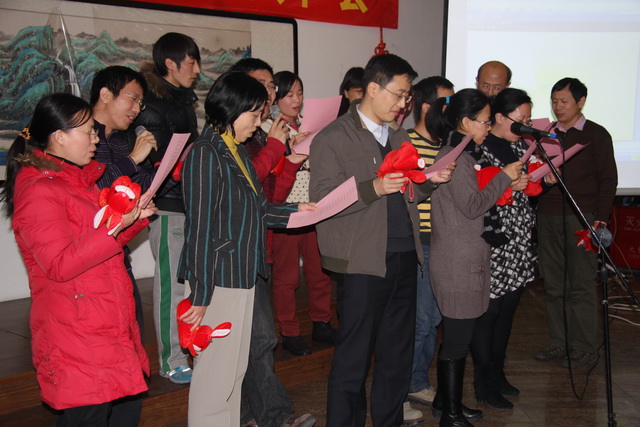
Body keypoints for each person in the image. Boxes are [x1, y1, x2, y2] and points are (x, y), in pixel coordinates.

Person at [310, 53, 453, 426]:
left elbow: (407, 192)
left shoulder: (399, 135)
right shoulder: (333, 137)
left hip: (405, 254)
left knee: (396, 355)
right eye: (399, 94)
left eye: (407, 96)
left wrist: (430, 181)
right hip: (362, 260)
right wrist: (373, 187)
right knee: (354, 359)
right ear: (373, 89)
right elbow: (323, 201)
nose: (404, 103)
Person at [0, 93, 156, 426]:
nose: (96, 139)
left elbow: (96, 243)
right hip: (77, 328)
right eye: (88, 132)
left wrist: (132, 220)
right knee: (90, 416)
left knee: (125, 412)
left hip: (104, 319)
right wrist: (117, 228)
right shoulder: (39, 190)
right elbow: (60, 265)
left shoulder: (78, 181)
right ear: (59, 137)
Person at [176, 71, 316, 427]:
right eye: (253, 115)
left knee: (233, 374)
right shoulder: (206, 153)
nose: (258, 125)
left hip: (241, 273)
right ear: (230, 109)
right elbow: (201, 229)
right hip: (217, 278)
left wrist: (296, 211)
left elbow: (256, 209)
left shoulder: (233, 149)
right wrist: (201, 294)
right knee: (214, 379)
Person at [426, 88, 523, 427]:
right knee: (457, 341)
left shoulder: (465, 154)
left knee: (460, 337)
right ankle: (450, 415)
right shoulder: (455, 156)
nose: (488, 127)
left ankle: (445, 401)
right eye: (484, 121)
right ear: (466, 123)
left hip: (465, 257)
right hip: (456, 262)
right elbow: (472, 206)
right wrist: (504, 177)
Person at [229, 58, 315, 427]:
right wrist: (277, 149)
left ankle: (256, 416)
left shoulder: (261, 137)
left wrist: (291, 160)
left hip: (257, 250)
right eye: (262, 84)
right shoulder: (226, 141)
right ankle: (267, 417)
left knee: (258, 340)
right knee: (252, 340)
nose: (270, 93)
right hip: (234, 255)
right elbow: (246, 190)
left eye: (270, 86)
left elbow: (270, 199)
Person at [469, 88, 551, 410]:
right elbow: (474, 194)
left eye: (529, 119)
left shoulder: (521, 147)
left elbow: (529, 190)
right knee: (488, 312)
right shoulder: (479, 147)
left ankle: (498, 372)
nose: (526, 125)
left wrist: (542, 181)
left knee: (508, 310)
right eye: (521, 119)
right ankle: (483, 381)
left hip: (518, 239)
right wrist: (505, 182)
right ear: (500, 117)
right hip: (493, 240)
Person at [534, 78, 617, 369]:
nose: (558, 107)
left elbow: (608, 179)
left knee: (580, 283)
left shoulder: (596, 134)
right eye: (554, 101)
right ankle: (559, 342)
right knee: (553, 282)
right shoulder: (545, 133)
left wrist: (600, 219)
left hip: (581, 217)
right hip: (547, 215)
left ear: (581, 102)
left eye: (564, 101)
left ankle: (584, 347)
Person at [133, 32, 201, 384]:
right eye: (191, 62)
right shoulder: (152, 106)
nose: (197, 69)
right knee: (171, 286)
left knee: (190, 285)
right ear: (170, 64)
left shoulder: (182, 100)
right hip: (166, 205)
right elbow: (151, 165)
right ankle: (171, 359)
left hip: (189, 202)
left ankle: (190, 348)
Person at [263, 71, 336, 357]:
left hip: (314, 206)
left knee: (320, 272)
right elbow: (266, 172)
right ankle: (291, 332)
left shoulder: (309, 124)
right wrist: (289, 150)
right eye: (289, 94)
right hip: (286, 211)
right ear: (276, 98)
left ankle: (322, 322)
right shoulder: (268, 128)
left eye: (300, 93)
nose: (296, 100)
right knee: (287, 277)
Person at [90, 65, 159, 337]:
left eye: (141, 103)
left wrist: (172, 173)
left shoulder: (119, 141)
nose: (137, 109)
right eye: (133, 98)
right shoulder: (79, 139)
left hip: (117, 252)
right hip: (88, 258)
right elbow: (92, 189)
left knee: (133, 331)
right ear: (106, 95)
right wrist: (132, 159)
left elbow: (140, 186)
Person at [404, 76, 455, 423]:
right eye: (446, 103)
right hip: (419, 240)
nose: (452, 110)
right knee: (421, 320)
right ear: (426, 107)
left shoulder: (450, 145)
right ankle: (409, 384)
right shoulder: (405, 142)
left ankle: (417, 380)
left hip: (446, 240)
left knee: (435, 318)